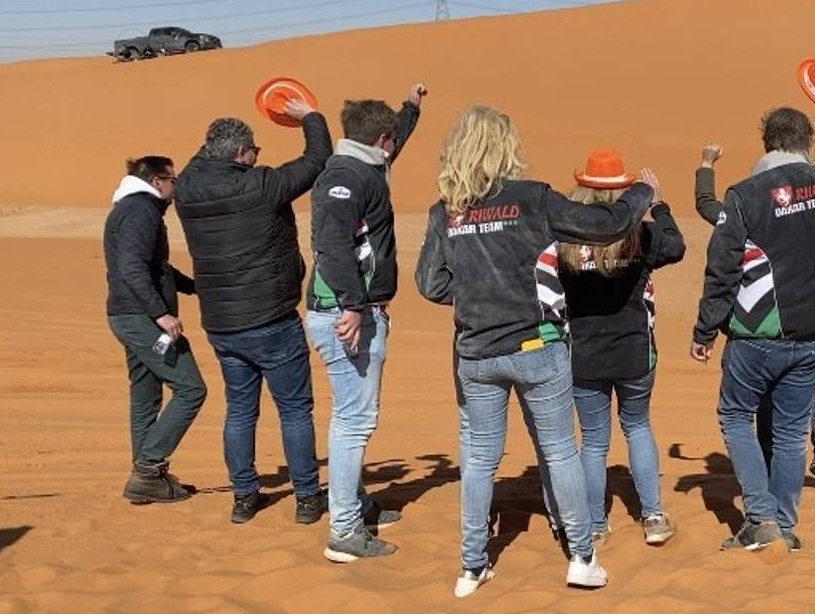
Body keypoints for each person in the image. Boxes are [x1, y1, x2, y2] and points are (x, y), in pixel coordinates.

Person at [416, 105, 656, 597]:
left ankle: (471, 566)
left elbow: (429, 282)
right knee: (560, 450)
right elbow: (606, 225)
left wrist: (477, 294)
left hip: (477, 352)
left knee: (480, 459)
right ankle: (582, 558)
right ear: (505, 145)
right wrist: (642, 193)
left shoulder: (447, 209)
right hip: (535, 347)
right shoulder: (531, 198)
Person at [691, 73, 815, 552]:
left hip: (755, 337)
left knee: (734, 417)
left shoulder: (745, 196)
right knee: (791, 432)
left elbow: (721, 268)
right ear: (807, 142)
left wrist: (705, 331)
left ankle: (761, 520)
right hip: (813, 339)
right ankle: (785, 527)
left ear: (766, 142)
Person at [174, 102, 331, 525]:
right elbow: (316, 160)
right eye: (254, 150)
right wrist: (310, 117)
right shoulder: (262, 185)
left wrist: (216, 144)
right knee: (295, 410)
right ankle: (305, 497)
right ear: (242, 153)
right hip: (271, 318)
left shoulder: (186, 186)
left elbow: (199, 161)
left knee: (241, 410)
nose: (258, 156)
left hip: (222, 323)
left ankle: (244, 496)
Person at [695, 142, 815, 492]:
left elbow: (706, 207)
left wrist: (706, 165)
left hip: (766, 325)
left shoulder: (748, 209)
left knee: (757, 403)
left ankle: (765, 481)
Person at [306, 84, 425, 563]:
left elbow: (396, 141)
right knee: (354, 421)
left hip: (355, 310)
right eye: (393, 139)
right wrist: (355, 305)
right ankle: (345, 530)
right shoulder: (345, 179)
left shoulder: (364, 165)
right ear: (382, 141)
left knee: (350, 417)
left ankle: (355, 504)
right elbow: (331, 244)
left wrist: (411, 109)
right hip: (344, 316)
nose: (395, 147)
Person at [557, 149, 686, 547]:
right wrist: (660, 206)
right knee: (638, 427)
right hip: (634, 354)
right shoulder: (641, 235)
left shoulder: (566, 240)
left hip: (585, 356)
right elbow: (676, 246)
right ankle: (653, 516)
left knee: (594, 441)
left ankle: (595, 525)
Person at [104, 156, 207, 504]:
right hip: (141, 319)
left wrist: (194, 287)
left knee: (146, 395)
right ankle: (148, 467)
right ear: (159, 181)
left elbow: (155, 268)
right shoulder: (141, 211)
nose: (176, 189)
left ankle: (147, 476)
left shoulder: (135, 208)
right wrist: (161, 314)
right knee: (191, 388)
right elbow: (132, 267)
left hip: (130, 316)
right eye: (173, 181)